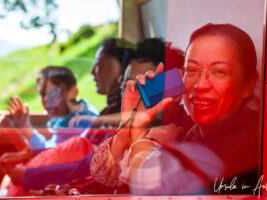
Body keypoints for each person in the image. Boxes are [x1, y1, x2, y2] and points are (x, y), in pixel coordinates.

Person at [90, 23, 259, 195]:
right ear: (180, 78)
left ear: (248, 85)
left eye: (219, 72)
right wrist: (129, 127)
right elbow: (104, 174)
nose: (200, 85)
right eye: (192, 70)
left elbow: (159, 185)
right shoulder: (190, 128)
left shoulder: (249, 135)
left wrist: (151, 143)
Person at [39, 38, 186, 196]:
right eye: (129, 87)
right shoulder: (132, 131)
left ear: (175, 86)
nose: (136, 97)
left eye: (149, 88)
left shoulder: (178, 138)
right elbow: (105, 178)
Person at [0, 38, 133, 197]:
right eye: (43, 95)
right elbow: (58, 154)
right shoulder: (103, 115)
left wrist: (29, 175)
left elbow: (83, 163)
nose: (92, 72)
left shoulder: (87, 120)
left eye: (99, 64)